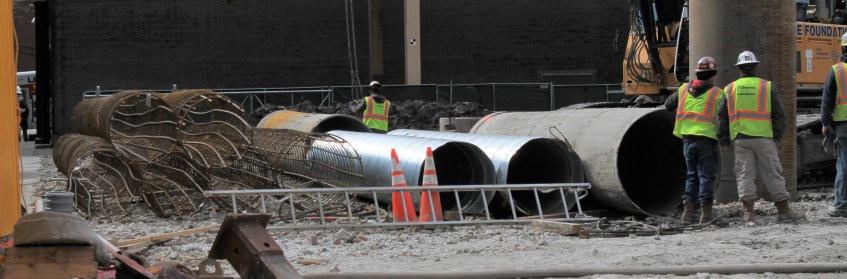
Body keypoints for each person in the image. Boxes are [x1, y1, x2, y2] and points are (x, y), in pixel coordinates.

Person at [717, 50, 805, 223]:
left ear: (739, 69)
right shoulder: (766, 86)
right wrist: (778, 137)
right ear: (756, 67)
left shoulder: (730, 89)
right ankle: (783, 211)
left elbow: (722, 118)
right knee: (773, 173)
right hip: (764, 138)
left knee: (744, 174)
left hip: (741, 139)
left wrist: (724, 140)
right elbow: (779, 115)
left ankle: (748, 213)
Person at [664, 56, 724, 225]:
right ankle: (706, 214)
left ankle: (688, 214)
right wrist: (726, 139)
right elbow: (724, 119)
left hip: (687, 140)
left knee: (692, 176)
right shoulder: (718, 93)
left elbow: (668, 105)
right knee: (706, 176)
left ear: (697, 74)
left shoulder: (683, 89)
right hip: (706, 139)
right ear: (713, 75)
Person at [821, 32, 847, 217]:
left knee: (844, 164)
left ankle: (841, 206)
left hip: (844, 125)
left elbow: (827, 100)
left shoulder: (837, 70)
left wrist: (825, 123)